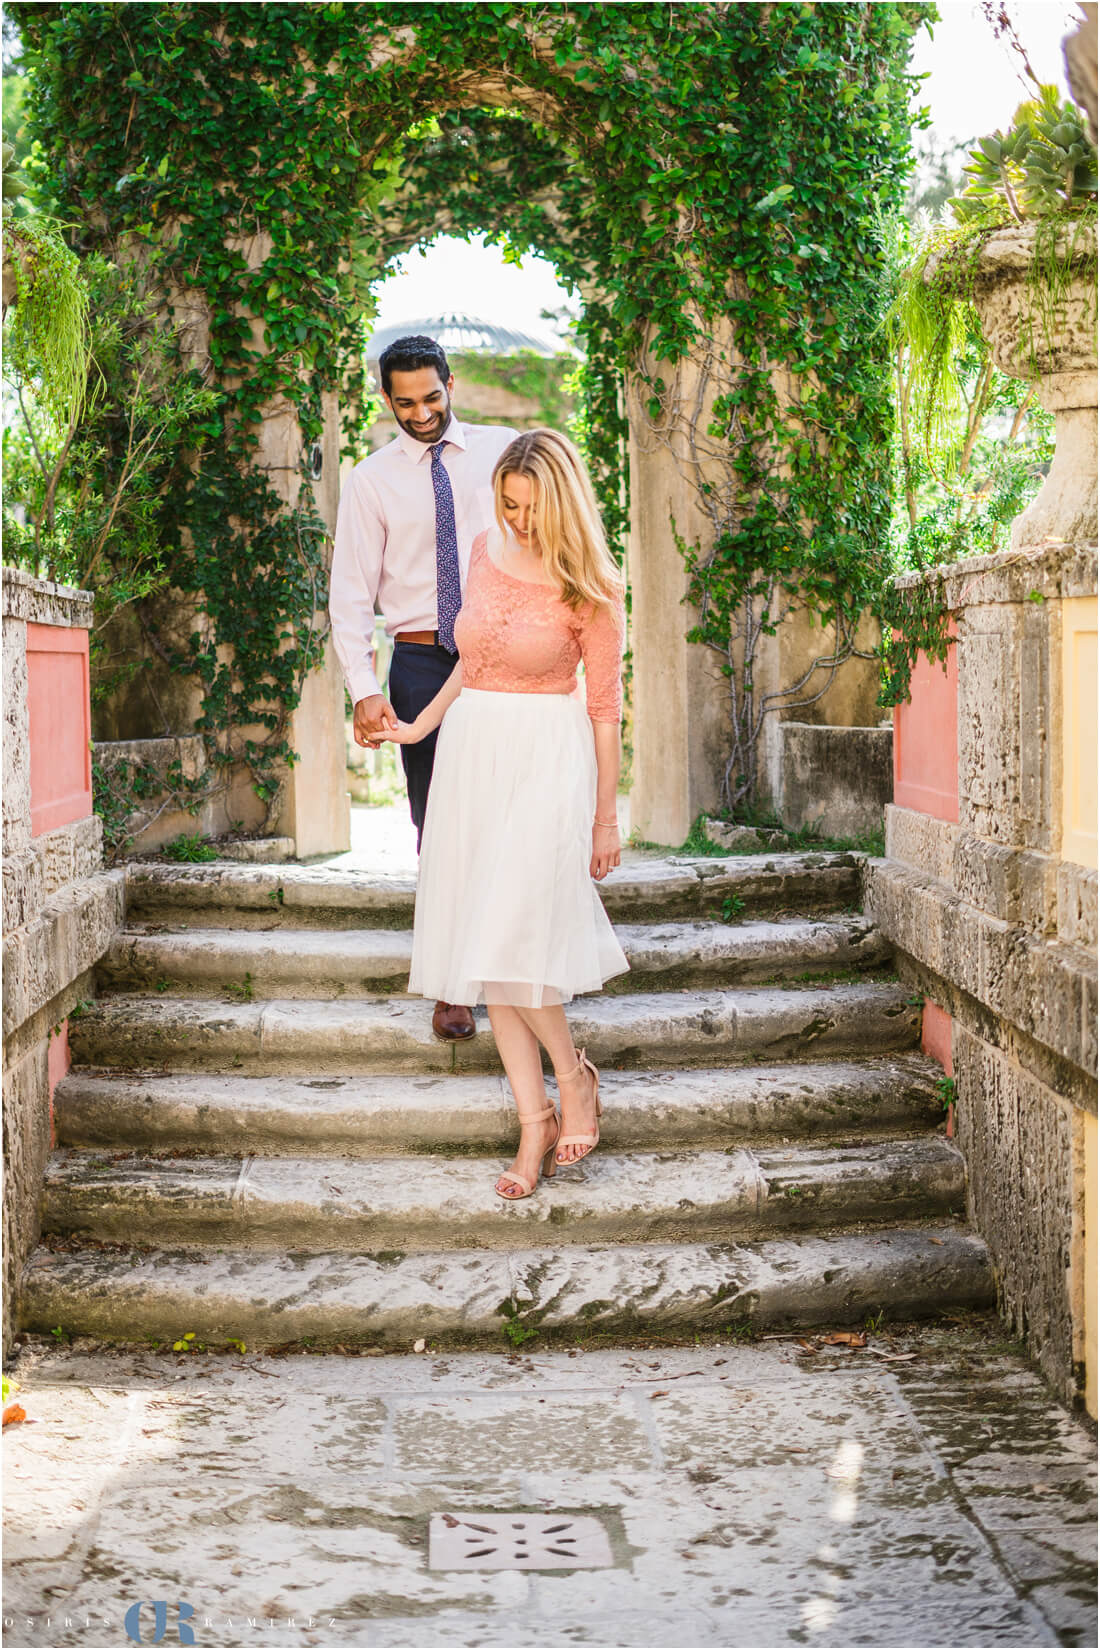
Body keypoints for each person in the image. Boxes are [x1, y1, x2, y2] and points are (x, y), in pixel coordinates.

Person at [380, 429, 629, 1199]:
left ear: (561, 505)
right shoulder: (484, 551)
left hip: (547, 760)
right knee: (490, 951)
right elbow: (472, 662)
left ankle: (572, 1077)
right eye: (507, 504)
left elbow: (605, 713)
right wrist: (418, 727)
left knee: (515, 938)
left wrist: (604, 819)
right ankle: (535, 1122)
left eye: (529, 509)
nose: (515, 521)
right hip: (472, 757)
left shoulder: (590, 587)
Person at [329, 334, 517, 1042]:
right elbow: (350, 595)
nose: (421, 413)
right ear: (387, 399)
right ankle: (451, 983)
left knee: (507, 816)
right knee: (437, 825)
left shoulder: (504, 452)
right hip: (418, 661)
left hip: (504, 655)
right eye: (404, 402)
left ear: (449, 384)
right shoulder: (371, 480)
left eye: (431, 397)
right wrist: (361, 688)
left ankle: (514, 962)